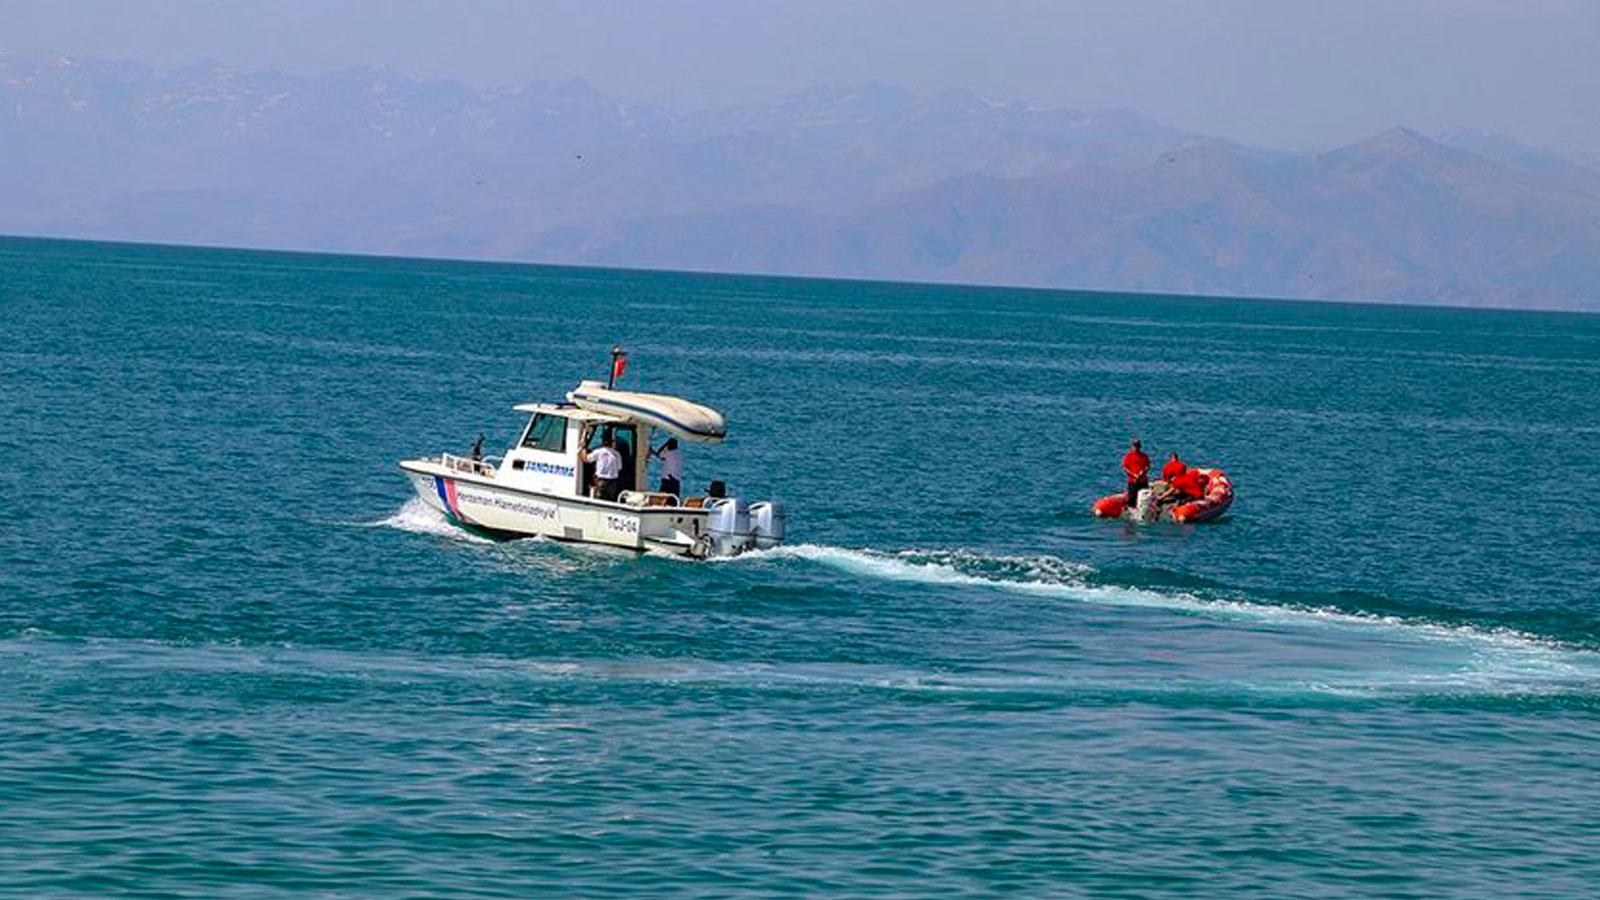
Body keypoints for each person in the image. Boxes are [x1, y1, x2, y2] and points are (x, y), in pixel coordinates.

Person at [582, 433, 623, 501]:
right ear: (612, 443)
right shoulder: (617, 454)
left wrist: (583, 449)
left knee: (600, 499)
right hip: (613, 481)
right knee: (611, 499)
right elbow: (619, 468)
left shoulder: (598, 452)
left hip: (602, 481)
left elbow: (586, 459)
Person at [1121, 439, 1151, 507]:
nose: (1136, 448)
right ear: (1132, 447)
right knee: (1132, 498)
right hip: (1132, 481)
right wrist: (1133, 475)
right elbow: (1125, 468)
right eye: (1134, 446)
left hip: (1143, 481)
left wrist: (1142, 472)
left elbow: (1147, 466)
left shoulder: (1144, 456)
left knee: (1144, 498)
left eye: (1137, 446)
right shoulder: (1128, 456)